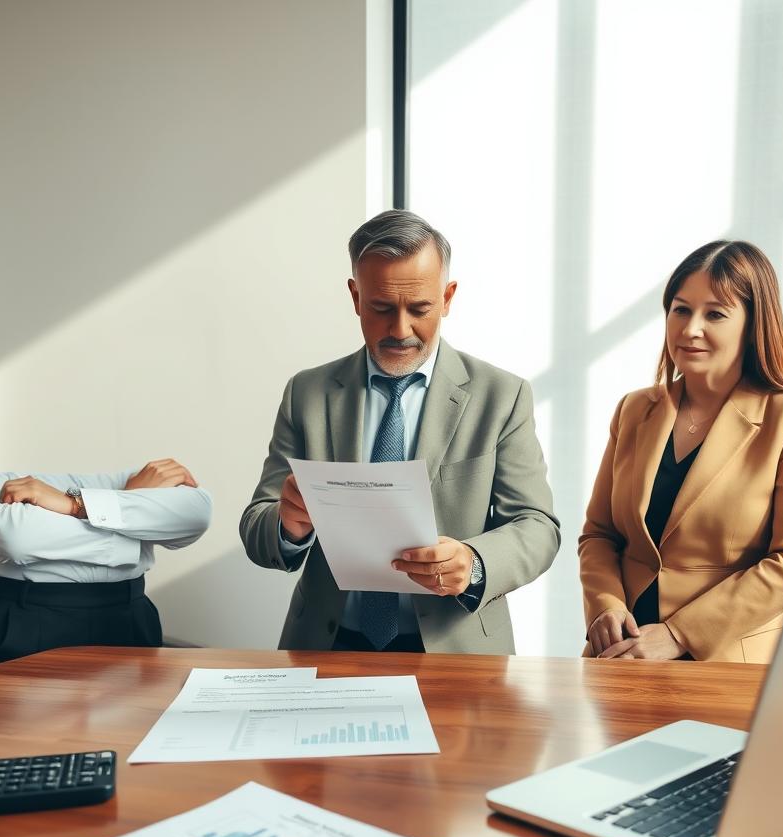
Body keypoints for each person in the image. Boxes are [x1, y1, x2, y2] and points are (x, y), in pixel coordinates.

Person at [240, 209, 560, 654]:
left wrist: (475, 563)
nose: (400, 329)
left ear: (447, 298)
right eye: (381, 308)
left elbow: (537, 526)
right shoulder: (307, 394)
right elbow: (257, 526)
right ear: (355, 297)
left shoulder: (501, 397)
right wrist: (288, 525)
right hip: (327, 645)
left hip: (457, 648)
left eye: (420, 308)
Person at [578, 240, 783, 663]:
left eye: (714, 314)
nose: (690, 328)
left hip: (725, 663)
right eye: (681, 309)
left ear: (753, 324)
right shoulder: (635, 409)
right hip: (619, 657)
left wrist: (679, 635)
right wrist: (604, 607)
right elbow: (599, 534)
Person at [0, 459, 212, 668]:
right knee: (13, 728)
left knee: (135, 725)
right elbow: (17, 538)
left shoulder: (152, 476)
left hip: (129, 619)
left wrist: (73, 503)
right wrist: (130, 517)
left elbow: (196, 517)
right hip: (24, 621)